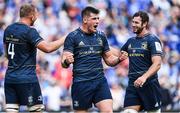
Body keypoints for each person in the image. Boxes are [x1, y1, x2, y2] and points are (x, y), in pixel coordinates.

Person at [61, 6, 128, 113]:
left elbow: (109, 59)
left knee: (108, 111)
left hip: (99, 81)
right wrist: (67, 61)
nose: (97, 21)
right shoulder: (72, 37)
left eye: (98, 18)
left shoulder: (101, 36)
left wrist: (119, 59)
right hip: (81, 83)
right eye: (94, 19)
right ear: (85, 20)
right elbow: (63, 62)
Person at [3, 3, 65, 112]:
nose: (37, 17)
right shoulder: (30, 31)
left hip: (10, 78)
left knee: (11, 110)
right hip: (27, 78)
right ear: (31, 16)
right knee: (36, 110)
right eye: (36, 14)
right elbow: (48, 48)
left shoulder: (8, 29)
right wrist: (65, 38)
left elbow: (7, 54)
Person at [121, 11, 163, 113]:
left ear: (144, 24)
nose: (133, 25)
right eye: (132, 22)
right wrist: (103, 48)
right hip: (133, 84)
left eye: (136, 22)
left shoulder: (153, 40)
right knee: (129, 112)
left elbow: (157, 64)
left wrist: (144, 77)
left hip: (149, 84)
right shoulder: (130, 41)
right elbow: (119, 53)